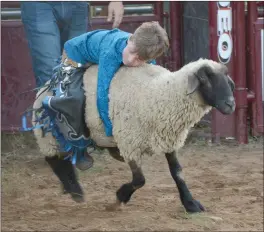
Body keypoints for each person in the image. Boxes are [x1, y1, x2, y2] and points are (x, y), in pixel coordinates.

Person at [37, 21, 169, 202]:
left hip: (98, 56)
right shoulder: (112, 50)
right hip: (75, 57)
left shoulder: (139, 53)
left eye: (140, 60)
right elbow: (102, 93)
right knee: (72, 98)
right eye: (132, 53)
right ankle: (78, 147)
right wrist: (110, 129)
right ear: (131, 40)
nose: (132, 60)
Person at [21, 1, 124, 88]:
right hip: (40, 4)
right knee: (50, 73)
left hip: (77, 5)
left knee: (75, 71)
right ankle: (51, 110)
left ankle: (63, 110)